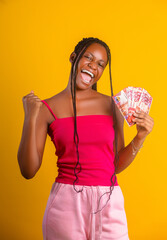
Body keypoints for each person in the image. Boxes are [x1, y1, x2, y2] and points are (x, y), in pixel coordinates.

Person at [17, 37, 154, 240]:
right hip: (66, 205)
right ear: (74, 57)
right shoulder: (46, 109)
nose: (93, 66)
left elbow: (114, 165)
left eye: (100, 64)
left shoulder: (112, 106)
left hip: (109, 202)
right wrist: (30, 116)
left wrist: (140, 137)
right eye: (88, 57)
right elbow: (28, 171)